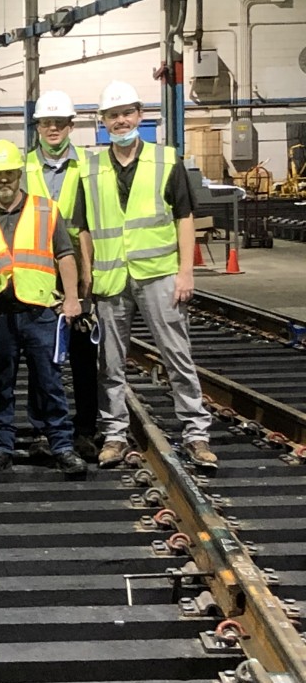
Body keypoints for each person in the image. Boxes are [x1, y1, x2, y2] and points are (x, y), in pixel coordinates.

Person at [77, 81, 217, 470]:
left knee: (177, 356)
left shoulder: (165, 160)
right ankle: (115, 435)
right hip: (111, 282)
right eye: (112, 115)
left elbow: (184, 217)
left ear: (140, 114)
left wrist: (186, 272)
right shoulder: (89, 167)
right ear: (102, 122)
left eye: (127, 113)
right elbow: (82, 228)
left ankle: (196, 433)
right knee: (111, 363)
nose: (120, 121)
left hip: (159, 276)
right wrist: (87, 275)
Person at [0, 140, 88, 478]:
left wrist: (71, 298)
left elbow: (65, 254)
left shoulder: (45, 209)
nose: (4, 181)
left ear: (19, 174)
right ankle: (1, 446)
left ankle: (60, 445)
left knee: (49, 381)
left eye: (9, 174)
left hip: (40, 311)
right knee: (1, 382)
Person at [25, 90, 97, 460]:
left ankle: (85, 428)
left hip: (80, 270)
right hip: (37, 273)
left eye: (59, 123)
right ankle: (42, 429)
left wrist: (87, 277)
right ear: (37, 127)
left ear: (71, 125)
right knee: (42, 355)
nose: (52, 129)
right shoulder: (24, 168)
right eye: (45, 123)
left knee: (84, 353)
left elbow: (88, 223)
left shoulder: (88, 165)